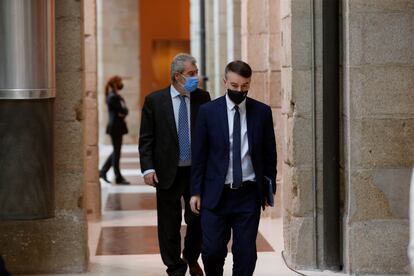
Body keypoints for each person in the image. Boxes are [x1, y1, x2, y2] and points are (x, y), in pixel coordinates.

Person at [190, 60, 277, 276]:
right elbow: (199, 156)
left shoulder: (262, 112)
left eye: (245, 86)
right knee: (212, 252)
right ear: (225, 82)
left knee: (246, 254)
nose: (240, 90)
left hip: (248, 195)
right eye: (235, 86)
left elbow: (270, 154)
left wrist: (268, 188)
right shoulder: (208, 112)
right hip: (215, 194)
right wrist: (195, 191)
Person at [139, 53, 211, 276]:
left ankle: (190, 256)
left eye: (196, 73)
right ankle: (175, 267)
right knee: (169, 224)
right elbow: (146, 138)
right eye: (191, 73)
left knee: (197, 219)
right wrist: (148, 168)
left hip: (196, 172)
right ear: (177, 76)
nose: (196, 78)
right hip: (166, 172)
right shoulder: (154, 101)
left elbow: (210, 134)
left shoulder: (203, 98)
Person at [99, 75, 130, 185]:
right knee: (117, 152)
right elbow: (122, 110)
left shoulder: (116, 96)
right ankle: (117, 177)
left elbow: (125, 111)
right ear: (115, 83)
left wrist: (123, 112)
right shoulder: (113, 97)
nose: (121, 83)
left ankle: (103, 171)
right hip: (115, 127)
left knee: (116, 151)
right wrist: (123, 112)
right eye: (120, 81)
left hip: (118, 127)